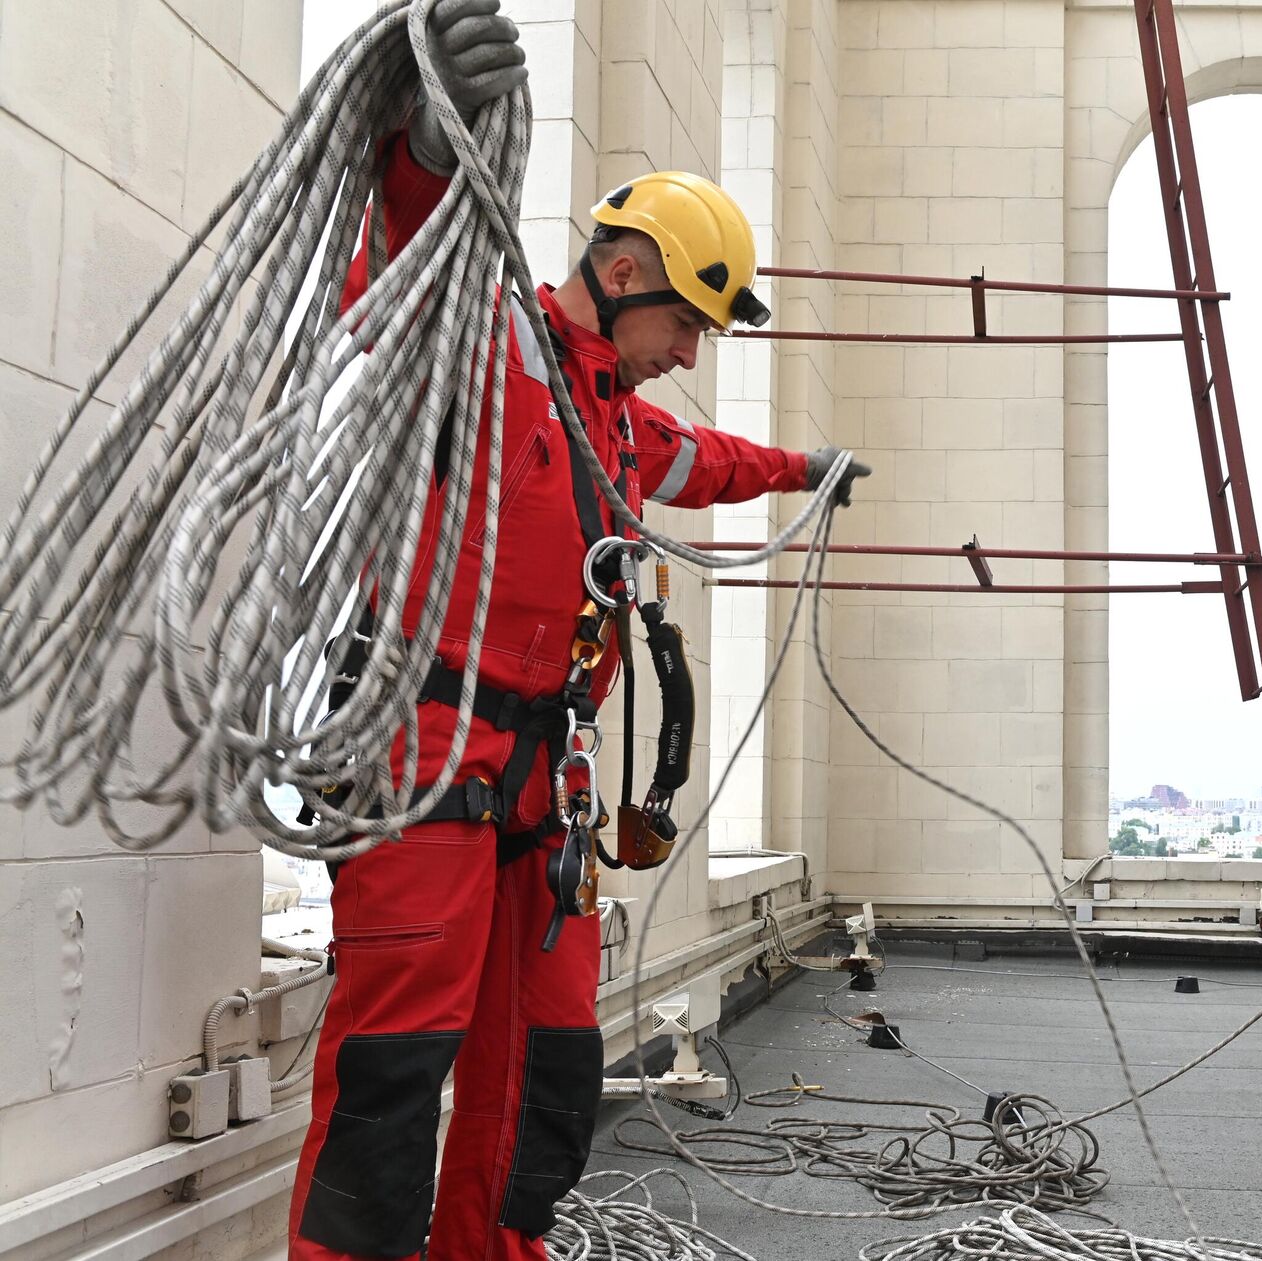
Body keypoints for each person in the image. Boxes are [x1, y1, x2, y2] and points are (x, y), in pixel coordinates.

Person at [287, 6, 869, 1257]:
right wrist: (428, 148)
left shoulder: (610, 413)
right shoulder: (478, 345)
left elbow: (703, 459)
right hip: (423, 754)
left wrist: (801, 468)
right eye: (687, 324)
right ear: (620, 277)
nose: (691, 353)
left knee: (547, 1072)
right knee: (395, 1071)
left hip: (542, 787)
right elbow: (392, 252)